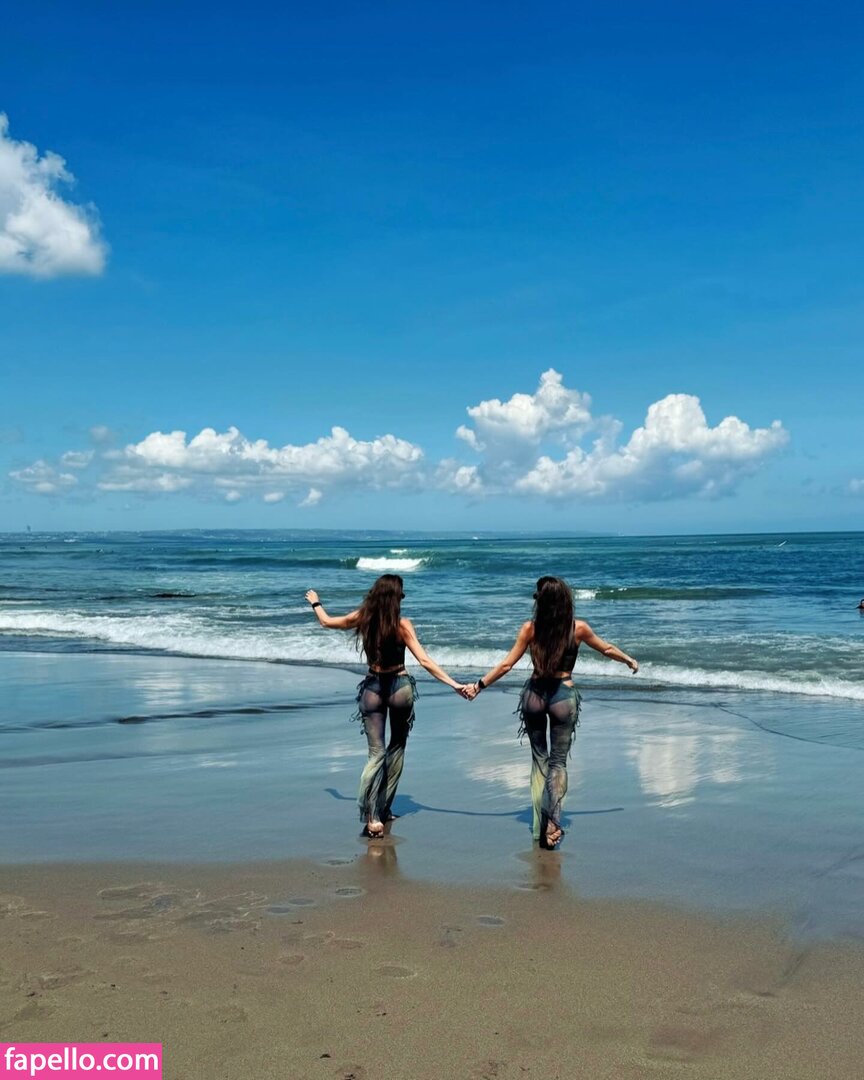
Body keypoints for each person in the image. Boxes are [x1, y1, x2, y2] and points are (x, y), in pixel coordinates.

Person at [468, 576, 638, 849]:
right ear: (565, 600)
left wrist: (479, 685)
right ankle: (553, 824)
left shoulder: (530, 629)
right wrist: (628, 659)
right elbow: (605, 649)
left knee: (539, 761)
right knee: (557, 764)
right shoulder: (578, 628)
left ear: (540, 601)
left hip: (534, 695)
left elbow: (506, 665)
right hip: (563, 696)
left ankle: (539, 828)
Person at [305, 575, 468, 838]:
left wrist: (316, 602)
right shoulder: (402, 625)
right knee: (397, 747)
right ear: (396, 598)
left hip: (372, 688)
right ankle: (384, 807)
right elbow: (425, 661)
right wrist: (455, 684)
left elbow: (327, 622)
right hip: (399, 688)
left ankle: (372, 817)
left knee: (375, 753)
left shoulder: (363, 618)